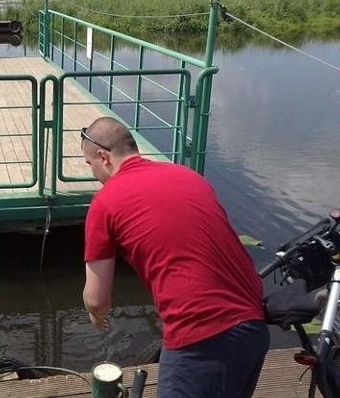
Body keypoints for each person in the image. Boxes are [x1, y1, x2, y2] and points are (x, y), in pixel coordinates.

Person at [81, 116, 269, 398]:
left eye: (90, 165)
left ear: (103, 156)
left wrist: (97, 315)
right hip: (253, 327)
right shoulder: (187, 175)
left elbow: (97, 298)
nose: (93, 173)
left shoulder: (106, 201)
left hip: (201, 340)